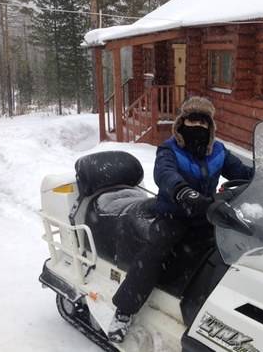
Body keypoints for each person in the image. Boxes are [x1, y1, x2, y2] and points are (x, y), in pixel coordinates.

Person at [108, 97, 253, 343]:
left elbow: (242, 172)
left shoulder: (218, 151)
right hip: (174, 213)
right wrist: (183, 191)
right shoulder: (169, 149)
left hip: (206, 214)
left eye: (202, 121)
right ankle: (124, 310)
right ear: (181, 122)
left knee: (239, 245)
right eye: (190, 119)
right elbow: (165, 173)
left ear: (210, 126)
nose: (196, 125)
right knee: (155, 252)